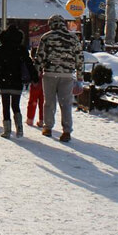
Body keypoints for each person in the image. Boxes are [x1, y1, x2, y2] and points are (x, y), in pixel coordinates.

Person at [36, 14, 83, 143]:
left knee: (49, 102)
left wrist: (36, 73)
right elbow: (79, 59)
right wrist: (79, 77)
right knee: (66, 104)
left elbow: (40, 57)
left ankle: (48, 127)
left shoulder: (46, 37)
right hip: (67, 75)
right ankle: (66, 131)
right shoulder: (73, 38)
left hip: (50, 74)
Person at [0, 24, 33, 138]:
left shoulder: (1, 49)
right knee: (15, 105)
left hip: (4, 81)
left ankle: (7, 130)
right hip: (17, 81)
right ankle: (19, 128)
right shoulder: (22, 49)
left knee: (5, 106)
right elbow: (29, 64)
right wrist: (34, 77)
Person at [25, 45, 44, 128]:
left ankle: (30, 119)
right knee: (43, 102)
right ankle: (42, 120)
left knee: (32, 101)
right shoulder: (45, 62)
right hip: (45, 81)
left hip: (35, 82)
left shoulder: (34, 63)